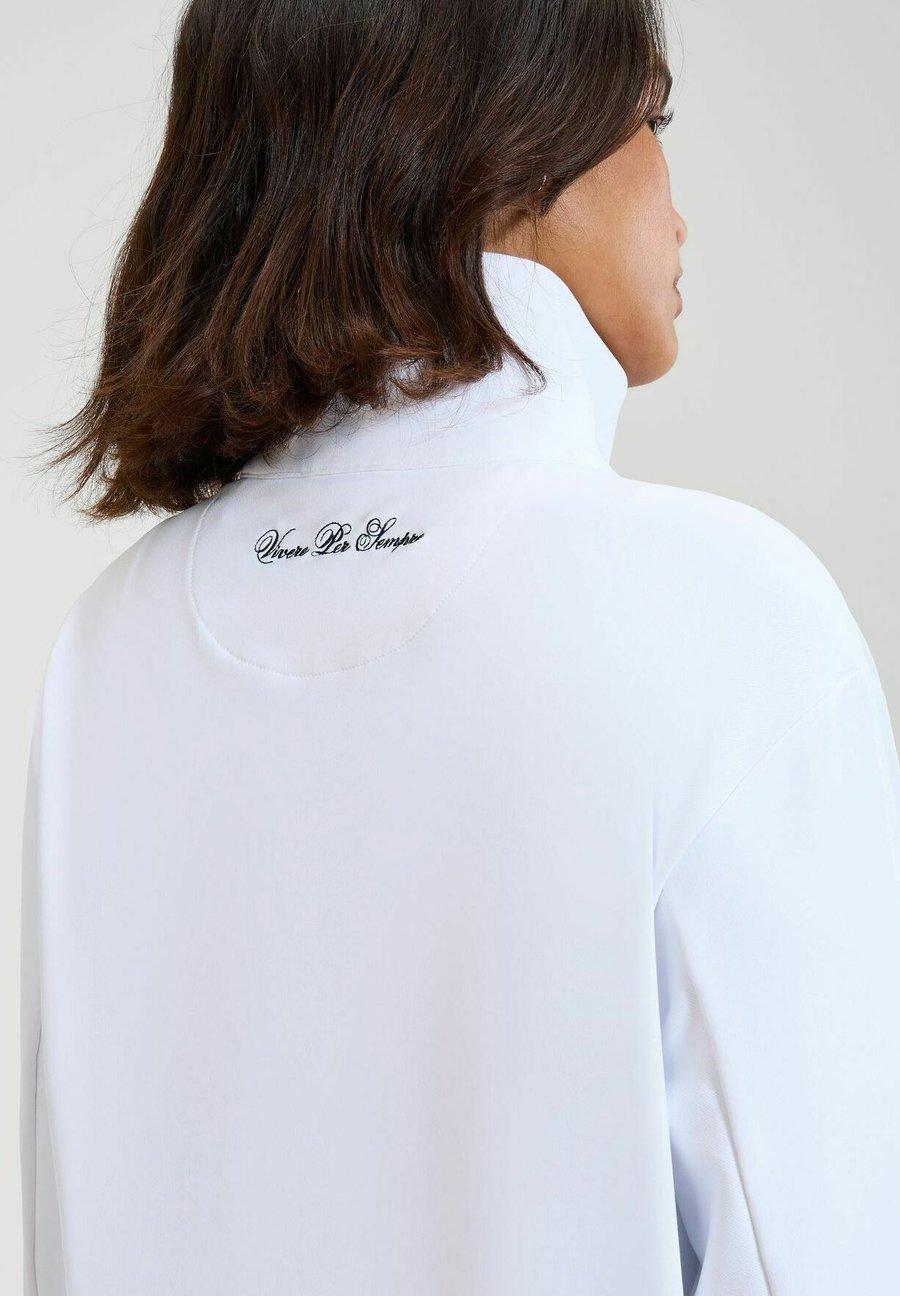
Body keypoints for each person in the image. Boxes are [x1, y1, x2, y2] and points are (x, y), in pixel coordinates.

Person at [21, 1, 900, 1293]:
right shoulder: (724, 615)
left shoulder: (108, 649)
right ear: (507, 146)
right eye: (650, 117)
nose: (679, 209)